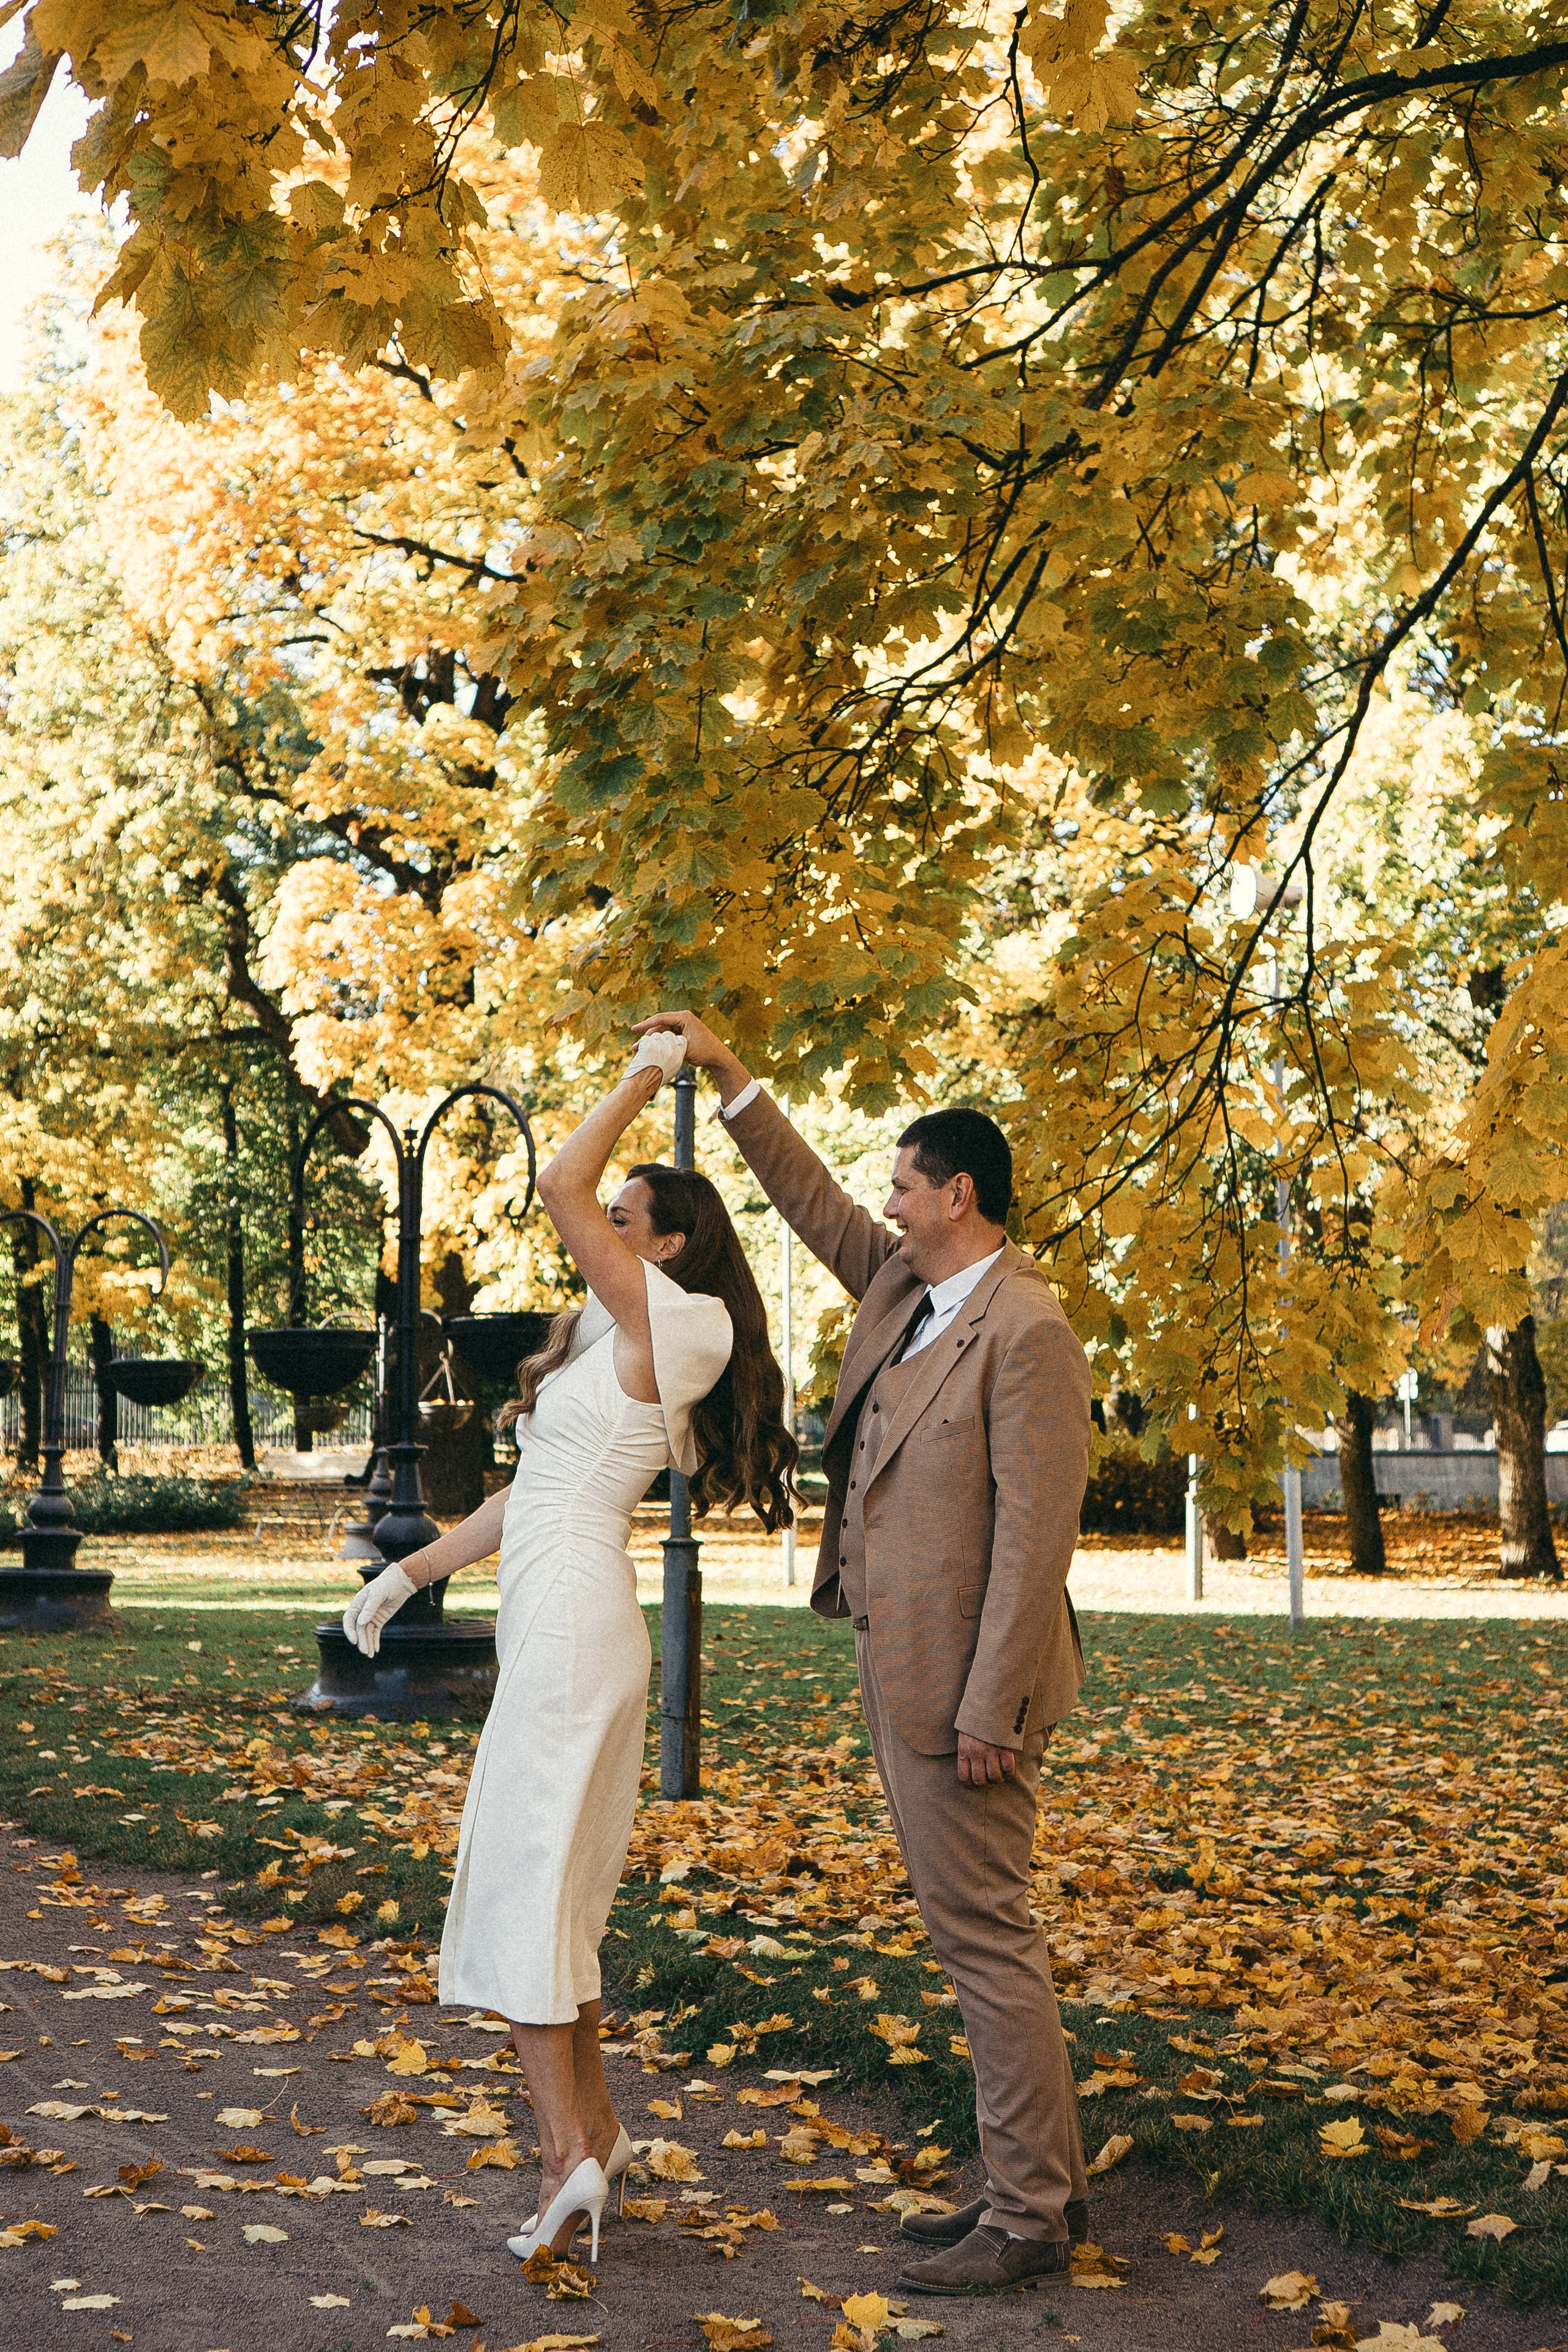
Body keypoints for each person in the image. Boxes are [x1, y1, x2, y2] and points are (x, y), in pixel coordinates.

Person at [636, 1011, 1093, 2298]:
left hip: (969, 1691)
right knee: (970, 1934)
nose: (883, 1204)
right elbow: (807, 1202)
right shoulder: (904, 1287)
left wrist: (990, 1703)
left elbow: (1032, 1547)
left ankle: (1027, 2218)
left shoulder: (1027, 1331)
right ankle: (1034, 2190)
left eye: (902, 1183)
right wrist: (730, 1076)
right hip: (901, 1667)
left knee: (983, 1934)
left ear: (957, 1195)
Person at [342, 1033, 796, 2267]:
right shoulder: (604, 1337)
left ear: (664, 1241)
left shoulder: (682, 1326)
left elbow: (556, 1183)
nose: (599, 1219)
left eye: (625, 1213)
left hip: (578, 1623)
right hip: (549, 1608)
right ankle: (594, 2136)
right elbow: (521, 1497)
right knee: (552, 1891)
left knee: (531, 1890)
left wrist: (651, 1071)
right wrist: (409, 1571)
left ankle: (562, 2163)